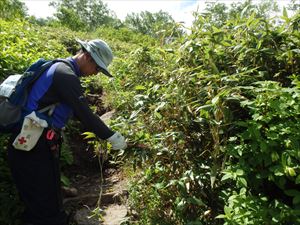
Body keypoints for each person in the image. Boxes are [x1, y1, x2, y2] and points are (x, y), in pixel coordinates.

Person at [7, 39, 127, 225]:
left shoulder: (61, 69)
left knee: (46, 196)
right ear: (87, 57)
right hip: (32, 146)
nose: (95, 74)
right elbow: (84, 113)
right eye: (97, 68)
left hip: (35, 142)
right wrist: (112, 136)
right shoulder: (65, 74)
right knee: (43, 206)